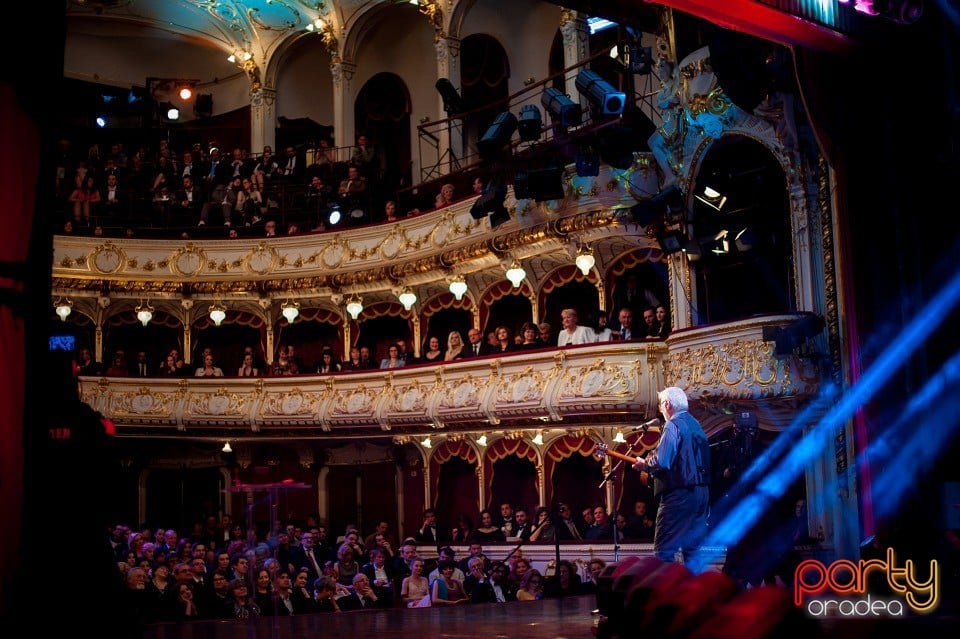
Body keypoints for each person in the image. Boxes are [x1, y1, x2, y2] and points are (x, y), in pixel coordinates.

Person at [631, 386, 711, 567]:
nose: (660, 409)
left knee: (664, 551)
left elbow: (663, 461)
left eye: (660, 405)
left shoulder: (673, 424)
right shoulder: (696, 425)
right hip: (701, 495)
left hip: (679, 495)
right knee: (693, 553)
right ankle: (694, 594)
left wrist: (645, 464)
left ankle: (667, 594)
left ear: (667, 404)